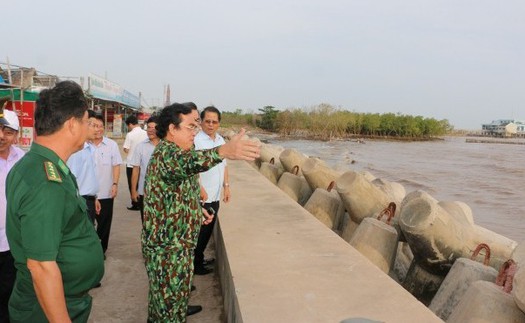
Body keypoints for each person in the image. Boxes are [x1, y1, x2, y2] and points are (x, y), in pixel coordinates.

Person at [142, 103, 260, 322]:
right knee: (166, 312)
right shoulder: (167, 154)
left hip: (179, 246)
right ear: (172, 129)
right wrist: (224, 151)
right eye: (189, 127)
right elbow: (189, 163)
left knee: (173, 305)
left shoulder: (177, 153)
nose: (194, 132)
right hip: (167, 252)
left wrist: (195, 211)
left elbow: (178, 192)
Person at [5, 81, 104, 322]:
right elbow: (40, 266)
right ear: (72, 125)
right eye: (85, 122)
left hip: (58, 300)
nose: (88, 129)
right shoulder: (45, 181)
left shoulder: (39, 166)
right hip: (47, 308)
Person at [193, 106, 229, 275]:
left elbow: (224, 165)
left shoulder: (221, 140)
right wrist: (199, 188)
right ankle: (194, 265)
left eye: (214, 122)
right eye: (207, 121)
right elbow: (192, 168)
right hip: (202, 197)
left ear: (219, 123)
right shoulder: (196, 141)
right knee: (198, 234)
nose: (210, 124)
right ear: (201, 122)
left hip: (214, 195)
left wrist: (226, 187)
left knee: (206, 232)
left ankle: (198, 260)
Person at [0, 108, 25, 323]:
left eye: (8, 132)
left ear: (16, 134)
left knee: (10, 294)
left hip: (13, 241)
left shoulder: (22, 159)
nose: (2, 136)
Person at [90, 114, 122, 256]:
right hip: (88, 194)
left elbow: (116, 165)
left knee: (104, 224)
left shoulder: (111, 145)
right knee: (88, 224)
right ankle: (90, 250)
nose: (98, 129)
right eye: (94, 126)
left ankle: (101, 250)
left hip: (106, 192)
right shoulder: (83, 145)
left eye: (101, 126)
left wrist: (115, 184)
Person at [67, 110, 100, 224]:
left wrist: (94, 197)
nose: (97, 130)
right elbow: (71, 182)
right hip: (80, 202)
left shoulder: (89, 148)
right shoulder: (77, 151)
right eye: (94, 126)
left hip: (89, 200)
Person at [130, 116, 159, 223]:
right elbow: (136, 170)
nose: (151, 130)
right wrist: (134, 191)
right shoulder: (140, 146)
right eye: (149, 127)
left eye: (154, 127)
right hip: (145, 193)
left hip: (162, 194)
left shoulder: (166, 146)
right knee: (146, 224)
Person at [123, 115, 147, 211]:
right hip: (143, 163)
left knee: (132, 184)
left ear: (130, 124)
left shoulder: (130, 134)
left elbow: (126, 148)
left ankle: (135, 203)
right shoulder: (145, 133)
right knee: (142, 183)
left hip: (131, 164)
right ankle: (142, 202)